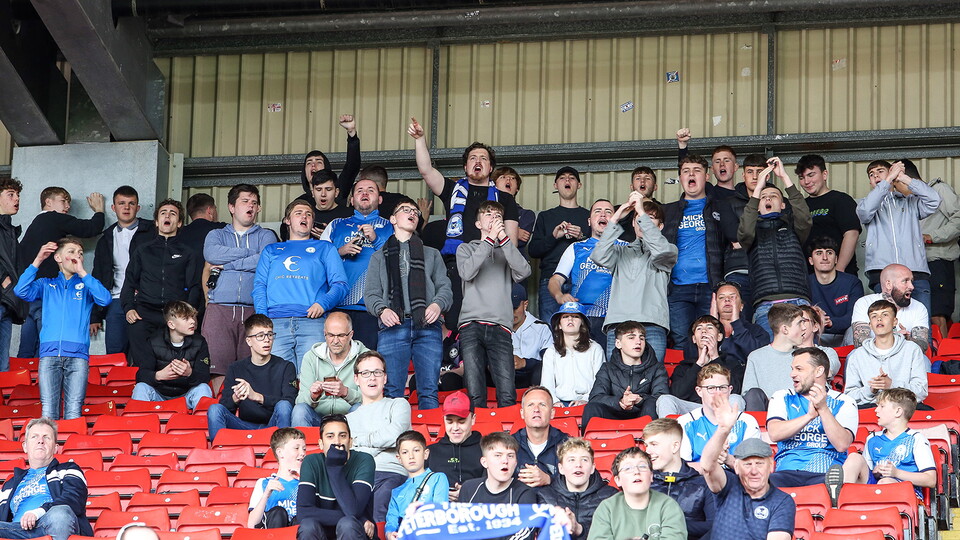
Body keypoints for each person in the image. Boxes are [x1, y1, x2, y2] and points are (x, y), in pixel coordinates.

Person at [408, 119, 520, 329]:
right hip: (457, 266)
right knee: (455, 323)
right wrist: (420, 139)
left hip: (492, 266)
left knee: (489, 326)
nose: (478, 161)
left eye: (483, 158)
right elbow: (426, 170)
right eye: (473, 158)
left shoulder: (505, 199)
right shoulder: (452, 190)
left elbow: (511, 242)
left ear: (491, 167)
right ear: (465, 166)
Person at [365, 196, 452, 410]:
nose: (412, 212)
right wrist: (382, 309)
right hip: (392, 327)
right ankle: (395, 442)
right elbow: (371, 294)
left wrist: (437, 305)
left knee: (429, 391)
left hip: (427, 326)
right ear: (393, 219)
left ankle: (429, 442)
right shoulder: (379, 256)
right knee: (393, 391)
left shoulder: (432, 254)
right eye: (406, 209)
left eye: (415, 210)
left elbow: (445, 288)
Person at [15, 238, 111, 420]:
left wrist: (83, 273)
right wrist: (38, 260)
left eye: (81, 253)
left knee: (74, 411)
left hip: (77, 357)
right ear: (58, 258)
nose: (77, 256)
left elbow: (105, 299)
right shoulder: (46, 284)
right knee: (49, 412)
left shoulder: (87, 285)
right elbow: (21, 291)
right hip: (49, 355)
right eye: (72, 251)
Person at [253, 200, 348, 371]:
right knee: (278, 380)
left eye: (309, 214)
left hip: (312, 322)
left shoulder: (325, 248)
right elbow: (259, 286)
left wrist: (323, 304)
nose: (304, 216)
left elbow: (341, 284)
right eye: (298, 213)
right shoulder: (271, 250)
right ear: (287, 220)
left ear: (312, 222)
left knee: (312, 381)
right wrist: (262, 320)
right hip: (275, 323)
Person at [202, 184, 278, 392]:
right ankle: (223, 408)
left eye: (254, 202)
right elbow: (212, 255)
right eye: (245, 201)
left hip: (253, 310)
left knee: (253, 367)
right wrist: (249, 252)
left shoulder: (267, 235)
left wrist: (228, 265)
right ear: (232, 207)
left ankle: (247, 412)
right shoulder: (215, 235)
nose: (251, 206)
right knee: (218, 369)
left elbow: (266, 259)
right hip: (220, 308)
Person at [456, 200, 531, 408]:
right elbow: (467, 272)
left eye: (498, 216)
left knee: (507, 392)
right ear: (478, 224)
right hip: (471, 324)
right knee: (474, 391)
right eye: (489, 214)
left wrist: (504, 240)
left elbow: (524, 272)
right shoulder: (466, 248)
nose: (494, 218)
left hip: (500, 326)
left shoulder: (507, 251)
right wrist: (489, 240)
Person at [17, 187, 105, 359]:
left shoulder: (34, 225)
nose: (67, 206)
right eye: (63, 201)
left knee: (27, 353)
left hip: (28, 299)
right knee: (47, 352)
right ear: (48, 202)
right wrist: (99, 210)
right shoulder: (53, 218)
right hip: (48, 296)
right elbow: (90, 228)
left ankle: (22, 385)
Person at [121, 199, 202, 367]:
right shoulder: (143, 250)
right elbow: (129, 282)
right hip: (145, 313)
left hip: (174, 315)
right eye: (163, 213)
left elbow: (194, 286)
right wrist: (129, 308)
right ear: (157, 222)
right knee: (144, 364)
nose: (167, 216)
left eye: (173, 214)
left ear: (179, 223)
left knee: (173, 363)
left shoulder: (188, 253)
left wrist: (187, 313)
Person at [737, 157, 812, 338]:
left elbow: (805, 217)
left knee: (803, 356)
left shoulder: (794, 227)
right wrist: (757, 189)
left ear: (783, 204)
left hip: (798, 300)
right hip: (766, 305)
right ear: (757, 205)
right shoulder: (753, 232)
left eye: (773, 196)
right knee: (771, 356)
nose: (768, 198)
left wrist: (784, 177)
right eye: (763, 197)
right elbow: (744, 231)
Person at [767, 348, 863, 488]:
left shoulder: (844, 401)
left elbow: (842, 444)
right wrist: (809, 416)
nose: (792, 374)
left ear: (818, 371)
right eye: (792, 369)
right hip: (786, 473)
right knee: (761, 487)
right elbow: (774, 433)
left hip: (827, 474)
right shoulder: (782, 396)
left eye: (799, 369)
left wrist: (823, 409)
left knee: (835, 484)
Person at [859, 159, 940, 315]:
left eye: (880, 171)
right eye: (871, 174)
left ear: (892, 173)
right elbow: (865, 213)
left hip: (915, 273)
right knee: (888, 323)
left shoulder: (910, 202)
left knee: (921, 324)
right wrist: (887, 180)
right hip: (883, 273)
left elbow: (934, 200)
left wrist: (903, 178)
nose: (875, 175)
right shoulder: (865, 204)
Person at [662, 155, 726, 350]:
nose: (691, 174)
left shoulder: (719, 207)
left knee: (711, 340)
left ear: (707, 176)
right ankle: (687, 380)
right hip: (678, 288)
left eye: (697, 170)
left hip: (710, 285)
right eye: (686, 171)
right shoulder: (668, 210)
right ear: (680, 178)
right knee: (682, 341)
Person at [321, 179, 394, 349]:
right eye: (359, 190)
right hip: (338, 306)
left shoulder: (391, 226)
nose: (365, 193)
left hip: (374, 308)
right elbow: (318, 263)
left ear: (380, 199)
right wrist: (340, 251)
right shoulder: (336, 224)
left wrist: (376, 240)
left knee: (369, 361)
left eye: (370, 190)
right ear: (352, 200)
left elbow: (399, 263)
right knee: (337, 362)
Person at [699, 417, 795, 540]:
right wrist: (723, 430)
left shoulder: (782, 501)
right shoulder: (728, 486)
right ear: (736, 467)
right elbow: (707, 466)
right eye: (747, 464)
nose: (754, 471)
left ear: (771, 466)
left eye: (760, 463)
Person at [206, 314, 297, 441]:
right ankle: (221, 456)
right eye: (260, 336)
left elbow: (290, 403)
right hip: (243, 426)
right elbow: (225, 407)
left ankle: (283, 451)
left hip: (274, 425)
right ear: (249, 341)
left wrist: (258, 397)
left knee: (283, 405)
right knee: (215, 409)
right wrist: (235, 398)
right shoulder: (236, 368)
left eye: (270, 335)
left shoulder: (286, 366)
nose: (267, 340)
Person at [0, 418, 94, 540]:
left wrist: (38, 512)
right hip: (15, 532)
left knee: (60, 513)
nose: (40, 441)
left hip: (50, 526)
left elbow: (73, 499)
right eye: (34, 437)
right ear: (25, 446)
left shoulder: (69, 469)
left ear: (55, 448)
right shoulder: (10, 484)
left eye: (46, 437)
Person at [346, 351, 412, 522]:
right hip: (360, 476)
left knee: (380, 502)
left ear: (385, 378)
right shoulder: (348, 420)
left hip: (392, 473)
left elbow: (395, 435)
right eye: (365, 373)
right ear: (356, 379)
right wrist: (383, 442)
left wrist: (359, 441)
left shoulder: (398, 405)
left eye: (377, 372)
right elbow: (348, 452)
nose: (372, 378)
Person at [90, 186, 155, 355]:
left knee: (145, 353)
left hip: (145, 300)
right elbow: (98, 275)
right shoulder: (105, 238)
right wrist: (94, 316)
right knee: (114, 353)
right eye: (121, 203)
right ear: (113, 208)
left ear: (138, 207)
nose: (126, 207)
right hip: (116, 301)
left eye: (131, 203)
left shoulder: (152, 232)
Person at [548, 199, 620, 344]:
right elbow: (555, 280)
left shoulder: (625, 247)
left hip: (613, 321)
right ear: (589, 221)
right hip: (580, 319)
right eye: (597, 211)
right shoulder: (576, 248)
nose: (603, 215)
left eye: (608, 212)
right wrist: (559, 295)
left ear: (615, 220)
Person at [296, 413, 375, 540]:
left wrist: (334, 467)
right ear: (321, 444)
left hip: (354, 533)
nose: (337, 442)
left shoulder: (364, 460)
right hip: (322, 533)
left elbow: (352, 511)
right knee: (307, 526)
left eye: (342, 436)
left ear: (350, 442)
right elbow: (303, 513)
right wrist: (360, 518)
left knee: (347, 524)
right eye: (330, 436)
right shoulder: (311, 462)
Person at [527, 166, 590, 322]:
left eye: (572, 178)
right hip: (550, 279)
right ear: (555, 185)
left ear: (579, 185)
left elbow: (599, 248)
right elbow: (533, 251)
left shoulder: (588, 215)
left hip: (582, 279)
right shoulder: (545, 216)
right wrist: (553, 236)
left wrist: (581, 237)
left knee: (584, 329)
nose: (567, 180)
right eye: (562, 178)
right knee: (551, 329)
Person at [658, 315, 750, 416]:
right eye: (699, 328)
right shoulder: (684, 367)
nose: (704, 331)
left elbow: (735, 390)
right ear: (694, 339)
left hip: (722, 409)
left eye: (709, 328)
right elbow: (677, 394)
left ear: (719, 336)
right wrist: (698, 365)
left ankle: (727, 431)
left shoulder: (732, 363)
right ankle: (671, 432)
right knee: (665, 400)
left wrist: (715, 358)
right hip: (692, 409)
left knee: (736, 399)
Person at [587, 447, 687, 540]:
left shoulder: (668, 506)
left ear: (651, 476)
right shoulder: (607, 509)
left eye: (642, 466)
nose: (636, 471)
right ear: (618, 480)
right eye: (627, 468)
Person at [582, 321, 669, 428]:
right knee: (592, 408)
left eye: (641, 338)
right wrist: (620, 401)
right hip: (614, 414)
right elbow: (595, 397)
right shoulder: (607, 368)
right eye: (631, 337)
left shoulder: (657, 368)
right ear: (618, 343)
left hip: (643, 414)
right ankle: (589, 444)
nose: (638, 342)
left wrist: (639, 399)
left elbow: (663, 399)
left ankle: (651, 442)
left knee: (652, 404)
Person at [844, 300, 929, 407]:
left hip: (903, 408)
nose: (879, 319)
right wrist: (871, 390)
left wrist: (892, 385)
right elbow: (849, 395)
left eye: (885, 315)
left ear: (895, 321)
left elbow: (921, 391)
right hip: (871, 408)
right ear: (870, 325)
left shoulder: (912, 349)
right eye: (874, 316)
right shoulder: (858, 355)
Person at [131, 301, 213, 410]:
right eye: (186, 319)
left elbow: (205, 377)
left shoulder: (200, 342)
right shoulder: (153, 340)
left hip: (187, 396)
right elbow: (141, 375)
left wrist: (189, 373)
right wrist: (159, 375)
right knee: (141, 388)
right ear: (171, 324)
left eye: (193, 317)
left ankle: (201, 424)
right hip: (159, 395)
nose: (193, 322)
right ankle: (140, 426)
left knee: (204, 388)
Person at [715, 153, 769, 319]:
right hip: (737, 270)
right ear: (743, 174)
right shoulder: (728, 201)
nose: (754, 176)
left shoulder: (778, 200)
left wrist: (743, 241)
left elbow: (782, 234)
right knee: (740, 323)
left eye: (759, 172)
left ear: (767, 175)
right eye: (750, 171)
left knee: (766, 325)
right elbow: (732, 234)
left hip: (767, 271)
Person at [292, 312, 368, 426]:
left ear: (351, 335)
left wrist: (346, 392)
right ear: (324, 334)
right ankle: (300, 444)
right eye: (331, 335)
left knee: (359, 409)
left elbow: (372, 399)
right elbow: (300, 401)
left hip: (349, 416)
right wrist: (313, 396)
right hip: (318, 418)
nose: (335, 341)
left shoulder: (366, 357)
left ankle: (357, 444)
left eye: (341, 335)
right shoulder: (311, 357)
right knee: (300, 410)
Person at [644, 418, 716, 539]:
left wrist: (672, 525)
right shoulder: (643, 483)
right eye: (646, 445)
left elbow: (714, 526)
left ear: (675, 446)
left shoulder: (703, 484)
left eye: (654, 444)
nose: (647, 451)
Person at [676, 364, 760, 466]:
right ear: (699, 391)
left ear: (730, 390)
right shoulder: (685, 422)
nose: (718, 393)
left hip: (736, 480)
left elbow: (753, 468)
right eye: (711, 388)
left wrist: (727, 459)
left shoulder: (747, 421)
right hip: (698, 480)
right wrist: (710, 462)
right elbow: (682, 468)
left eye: (722, 388)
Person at [537, 437, 617, 540]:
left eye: (584, 460)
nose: (578, 465)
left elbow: (613, 534)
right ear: (561, 468)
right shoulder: (545, 496)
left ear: (592, 468)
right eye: (571, 460)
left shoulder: (610, 496)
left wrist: (579, 529)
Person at [795, 154, 862, 275]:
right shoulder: (801, 206)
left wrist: (839, 270)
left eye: (811, 175)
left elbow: (851, 234)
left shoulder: (840, 200)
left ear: (824, 174)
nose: (806, 181)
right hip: (811, 277)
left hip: (841, 274)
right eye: (801, 177)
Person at [862, 388, 936, 493]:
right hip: (874, 490)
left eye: (882, 406)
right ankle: (840, 501)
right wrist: (874, 472)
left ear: (898, 412)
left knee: (885, 482)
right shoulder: (872, 438)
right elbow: (865, 474)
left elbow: (931, 480)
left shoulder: (916, 439)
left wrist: (896, 473)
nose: (876, 410)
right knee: (854, 459)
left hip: (906, 495)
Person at [741, 303, 812, 411]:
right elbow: (750, 397)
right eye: (799, 323)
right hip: (767, 417)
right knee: (753, 393)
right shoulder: (756, 357)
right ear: (785, 329)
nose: (804, 328)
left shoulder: (806, 356)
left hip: (800, 413)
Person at [384, 430, 449, 540]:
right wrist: (389, 534)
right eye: (405, 452)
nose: (411, 456)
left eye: (416, 450)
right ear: (399, 458)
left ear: (425, 454)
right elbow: (391, 521)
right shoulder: (397, 492)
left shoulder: (438, 478)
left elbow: (440, 512)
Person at [850, 263, 930, 351]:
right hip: (871, 358)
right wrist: (892, 340)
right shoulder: (864, 303)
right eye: (905, 281)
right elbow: (860, 344)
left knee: (924, 361)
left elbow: (923, 347)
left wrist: (907, 340)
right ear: (888, 284)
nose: (912, 286)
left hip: (905, 357)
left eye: (911, 281)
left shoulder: (919, 307)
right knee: (853, 356)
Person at [541, 302, 605, 407]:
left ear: (582, 325)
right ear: (559, 325)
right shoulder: (551, 351)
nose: (570, 320)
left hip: (589, 403)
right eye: (565, 317)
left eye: (575, 316)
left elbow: (601, 382)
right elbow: (546, 384)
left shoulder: (595, 349)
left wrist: (586, 399)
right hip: (559, 404)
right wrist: (555, 402)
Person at [919, 175, 960, 338]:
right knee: (922, 318)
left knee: (937, 315)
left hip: (937, 260)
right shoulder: (906, 200)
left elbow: (958, 219)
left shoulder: (938, 189)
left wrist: (932, 236)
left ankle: (943, 362)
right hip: (916, 266)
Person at [426, 391, 484, 502]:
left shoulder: (486, 451)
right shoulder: (430, 452)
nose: (455, 427)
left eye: (461, 421)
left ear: (473, 419)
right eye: (449, 421)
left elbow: (496, 488)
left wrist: (469, 492)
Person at [807, 236, 864, 346]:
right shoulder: (805, 283)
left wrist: (830, 322)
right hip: (817, 334)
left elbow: (854, 316)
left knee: (857, 329)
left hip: (845, 335)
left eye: (829, 253)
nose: (824, 257)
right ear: (811, 260)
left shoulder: (852, 282)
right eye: (819, 253)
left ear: (836, 259)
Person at [458, 431, 538, 510]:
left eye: (510, 456)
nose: (505, 461)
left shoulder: (524, 493)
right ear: (484, 462)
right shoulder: (468, 488)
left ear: (515, 463)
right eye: (498, 455)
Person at [296, 115, 362, 210]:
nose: (313, 165)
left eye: (319, 162)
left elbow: (352, 166)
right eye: (309, 162)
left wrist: (352, 134)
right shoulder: (301, 202)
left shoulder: (339, 189)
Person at [247, 428, 306, 529]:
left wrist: (305, 479)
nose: (302, 453)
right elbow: (251, 525)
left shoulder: (307, 482)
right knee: (278, 513)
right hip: (272, 531)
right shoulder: (264, 483)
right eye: (296, 448)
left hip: (298, 531)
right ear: (280, 452)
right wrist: (266, 495)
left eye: (304, 449)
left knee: (301, 518)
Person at [513, 386, 570, 487]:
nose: (536, 410)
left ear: (552, 413)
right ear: (522, 413)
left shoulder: (568, 444)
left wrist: (549, 479)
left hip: (555, 502)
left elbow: (585, 479)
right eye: (530, 405)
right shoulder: (509, 444)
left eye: (542, 405)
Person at [509, 283, 552, 388]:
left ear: (525, 304)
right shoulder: (497, 327)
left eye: (515, 308)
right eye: (506, 307)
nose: (511, 312)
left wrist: (524, 363)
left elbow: (551, 361)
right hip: (502, 376)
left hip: (531, 378)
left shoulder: (541, 328)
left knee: (541, 370)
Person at [676, 128, 739, 199]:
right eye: (717, 161)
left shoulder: (744, 193)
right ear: (712, 169)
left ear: (736, 167)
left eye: (726, 160)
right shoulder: (708, 191)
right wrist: (682, 146)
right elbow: (686, 169)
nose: (722, 164)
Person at [0, 177, 23, 371]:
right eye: (10, 195)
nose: (16, 199)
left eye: (17, 195)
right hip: (5, 293)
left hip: (8, 300)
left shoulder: (10, 230)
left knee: (3, 362)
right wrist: (4, 280)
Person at [492, 167, 534, 254]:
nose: (508, 179)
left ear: (517, 188)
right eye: (503, 177)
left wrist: (493, 230)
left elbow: (521, 241)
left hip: (514, 262)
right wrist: (514, 231)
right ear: (494, 185)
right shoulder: (485, 210)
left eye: (512, 178)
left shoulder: (526, 214)